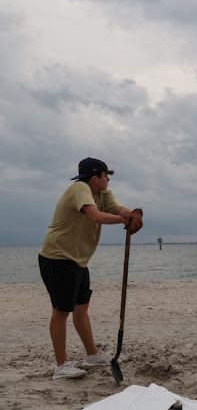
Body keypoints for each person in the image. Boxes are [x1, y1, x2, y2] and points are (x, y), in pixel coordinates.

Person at [39, 158, 143, 380]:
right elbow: (96, 216)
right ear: (95, 178)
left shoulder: (102, 194)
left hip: (78, 259)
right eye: (106, 176)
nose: (108, 180)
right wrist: (123, 221)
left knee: (81, 307)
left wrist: (132, 214)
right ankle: (61, 365)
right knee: (61, 311)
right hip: (57, 257)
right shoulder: (80, 188)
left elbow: (118, 208)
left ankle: (92, 355)